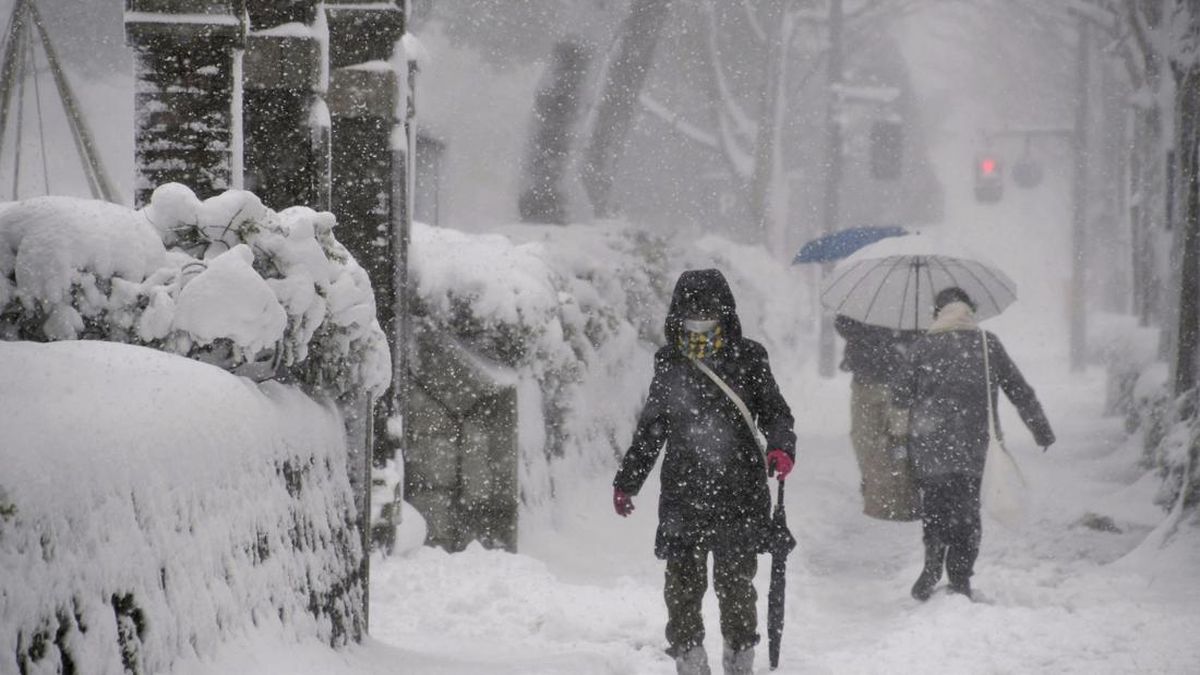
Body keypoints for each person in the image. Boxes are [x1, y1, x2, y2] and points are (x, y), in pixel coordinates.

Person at [612, 269, 796, 675]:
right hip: (683, 495)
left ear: (724, 309)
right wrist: (628, 481)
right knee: (681, 589)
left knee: (736, 588)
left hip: (740, 494)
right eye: (692, 307)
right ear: (679, 310)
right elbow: (653, 428)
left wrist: (782, 447)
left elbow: (775, 413)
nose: (700, 314)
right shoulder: (670, 361)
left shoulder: (749, 357)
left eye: (708, 307)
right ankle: (691, 665)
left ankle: (739, 664)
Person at [891, 287, 1055, 601]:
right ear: (970, 310)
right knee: (966, 513)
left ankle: (933, 561)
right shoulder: (986, 344)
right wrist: (1041, 429)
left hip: (928, 445)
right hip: (973, 446)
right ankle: (960, 577)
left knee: (935, 508)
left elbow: (899, 396)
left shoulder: (923, 346)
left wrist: (900, 439)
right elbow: (1018, 389)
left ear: (938, 312)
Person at [834, 315, 922, 520]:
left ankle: (902, 494)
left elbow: (923, 332)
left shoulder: (910, 298)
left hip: (900, 380)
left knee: (899, 439)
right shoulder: (866, 297)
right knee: (862, 438)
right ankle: (874, 482)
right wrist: (871, 335)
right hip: (864, 378)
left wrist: (900, 338)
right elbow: (842, 324)